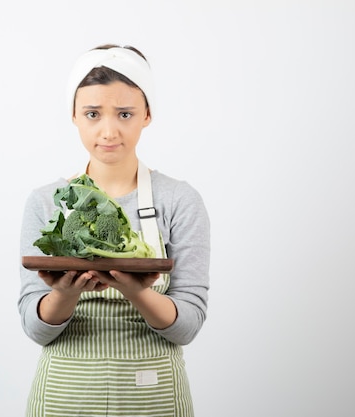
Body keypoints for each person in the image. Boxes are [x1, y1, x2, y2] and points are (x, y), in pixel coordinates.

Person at [18, 44, 211, 417]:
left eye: (125, 113)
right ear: (74, 115)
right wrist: (63, 295)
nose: (109, 131)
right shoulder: (46, 202)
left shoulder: (180, 200)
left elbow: (186, 327)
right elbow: (35, 327)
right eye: (93, 114)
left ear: (147, 115)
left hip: (152, 395)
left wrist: (135, 291)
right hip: (65, 396)